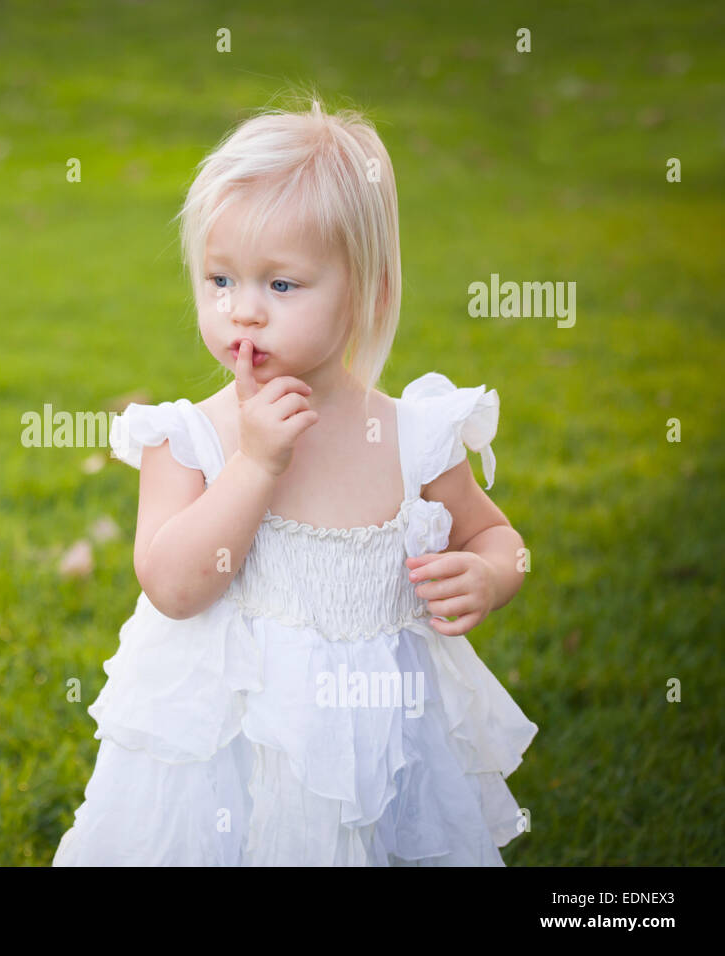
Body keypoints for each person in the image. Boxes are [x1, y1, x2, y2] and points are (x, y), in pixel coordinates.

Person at [52, 95, 537, 866]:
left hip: (378, 757)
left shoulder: (412, 438)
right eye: (220, 280)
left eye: (282, 286)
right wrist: (255, 465)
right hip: (224, 773)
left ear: (369, 292)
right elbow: (174, 586)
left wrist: (487, 574)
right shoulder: (192, 440)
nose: (243, 312)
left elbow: (500, 537)